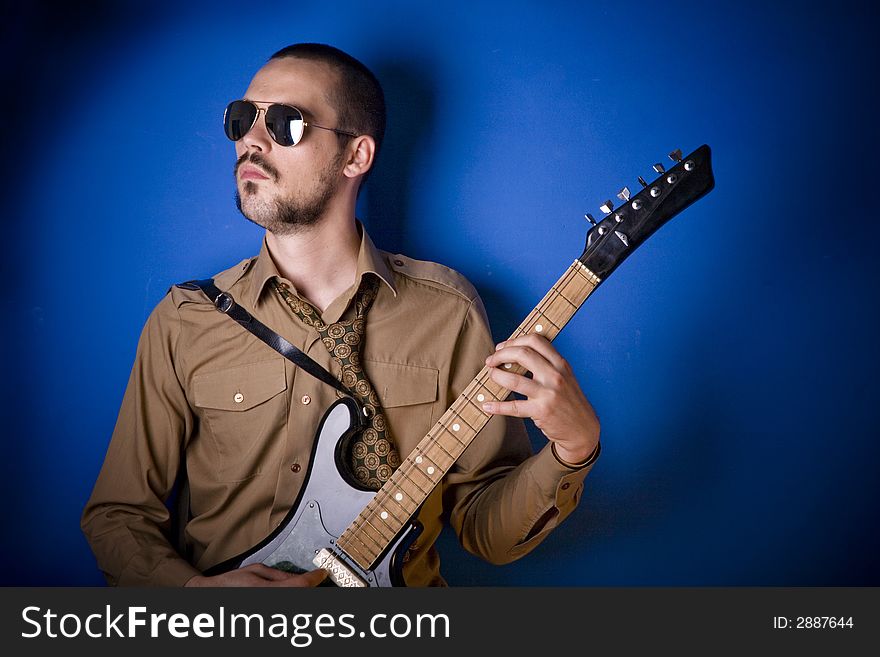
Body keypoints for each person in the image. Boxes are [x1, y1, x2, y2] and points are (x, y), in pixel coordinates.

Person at [81, 43, 601, 587]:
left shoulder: (447, 312)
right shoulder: (186, 321)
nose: (251, 141)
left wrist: (572, 449)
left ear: (356, 156)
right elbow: (118, 516)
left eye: (286, 123)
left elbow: (484, 530)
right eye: (242, 119)